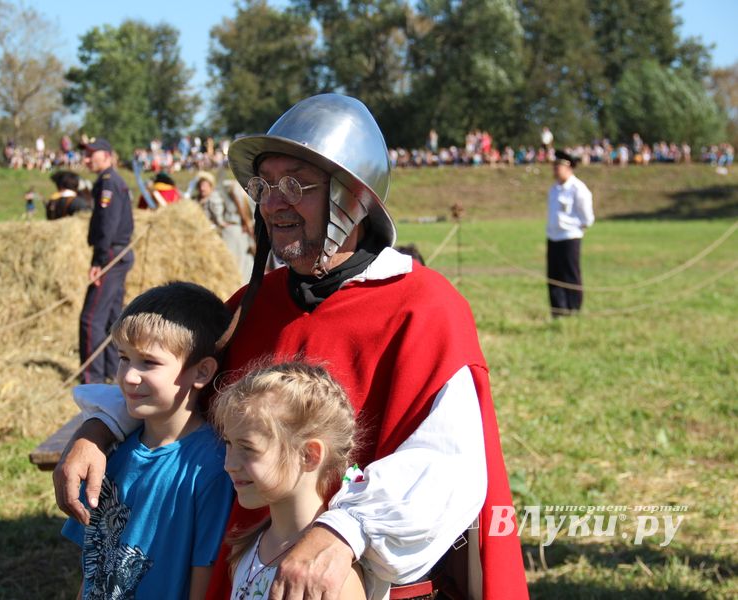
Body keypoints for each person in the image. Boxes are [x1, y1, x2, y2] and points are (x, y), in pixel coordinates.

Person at [55, 94, 528, 600]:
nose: (273, 203)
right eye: (264, 185)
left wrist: (343, 530)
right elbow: (177, 380)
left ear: (353, 197)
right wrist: (97, 431)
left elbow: (447, 465)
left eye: (294, 185)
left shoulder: (424, 308)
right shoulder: (253, 306)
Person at [62, 282, 236, 599]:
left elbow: (205, 575)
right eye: (123, 358)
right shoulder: (110, 451)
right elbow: (92, 565)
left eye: (149, 362)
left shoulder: (212, 468)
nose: (129, 376)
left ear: (202, 372)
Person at [211, 362, 366, 600]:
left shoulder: (333, 578)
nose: (229, 464)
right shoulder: (246, 549)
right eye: (229, 444)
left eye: (248, 448)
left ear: (308, 455)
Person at [79, 137, 135, 383]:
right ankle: (113, 371)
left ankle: (92, 379)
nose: (86, 160)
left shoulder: (108, 182)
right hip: (118, 253)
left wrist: (98, 261)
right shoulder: (113, 180)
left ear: (107, 156)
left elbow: (107, 225)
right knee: (113, 318)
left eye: (91, 154)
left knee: (91, 319)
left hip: (111, 254)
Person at [546, 149, 595, 317]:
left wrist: (572, 227)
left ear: (568, 168)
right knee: (554, 276)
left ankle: (573, 309)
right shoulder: (554, 189)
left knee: (570, 275)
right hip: (553, 237)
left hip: (570, 237)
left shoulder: (578, 189)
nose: (554, 169)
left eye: (557, 166)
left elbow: (587, 218)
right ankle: (558, 310)